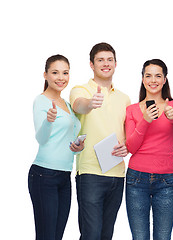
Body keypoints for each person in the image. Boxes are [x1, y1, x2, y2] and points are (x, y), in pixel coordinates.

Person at [69, 42, 130, 240]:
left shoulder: (124, 99)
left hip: (117, 174)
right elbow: (79, 106)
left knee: (106, 235)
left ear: (115, 63)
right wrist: (90, 103)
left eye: (109, 60)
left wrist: (126, 146)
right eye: (100, 60)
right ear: (91, 64)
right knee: (91, 234)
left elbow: (128, 134)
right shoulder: (81, 90)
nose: (106, 64)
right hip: (90, 174)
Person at [125, 59, 173, 240]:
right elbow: (131, 147)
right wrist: (146, 120)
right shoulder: (132, 110)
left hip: (166, 180)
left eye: (158, 76)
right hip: (137, 179)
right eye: (148, 75)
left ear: (165, 79)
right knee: (139, 237)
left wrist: (171, 115)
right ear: (142, 79)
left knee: (163, 237)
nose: (153, 80)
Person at [28, 54, 84, 240]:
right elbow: (42, 139)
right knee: (46, 236)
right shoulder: (41, 101)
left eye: (65, 73)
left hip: (64, 175)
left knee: (57, 236)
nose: (61, 77)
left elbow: (65, 138)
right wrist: (48, 121)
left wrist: (78, 146)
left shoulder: (66, 104)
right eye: (55, 72)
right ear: (45, 75)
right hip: (44, 175)